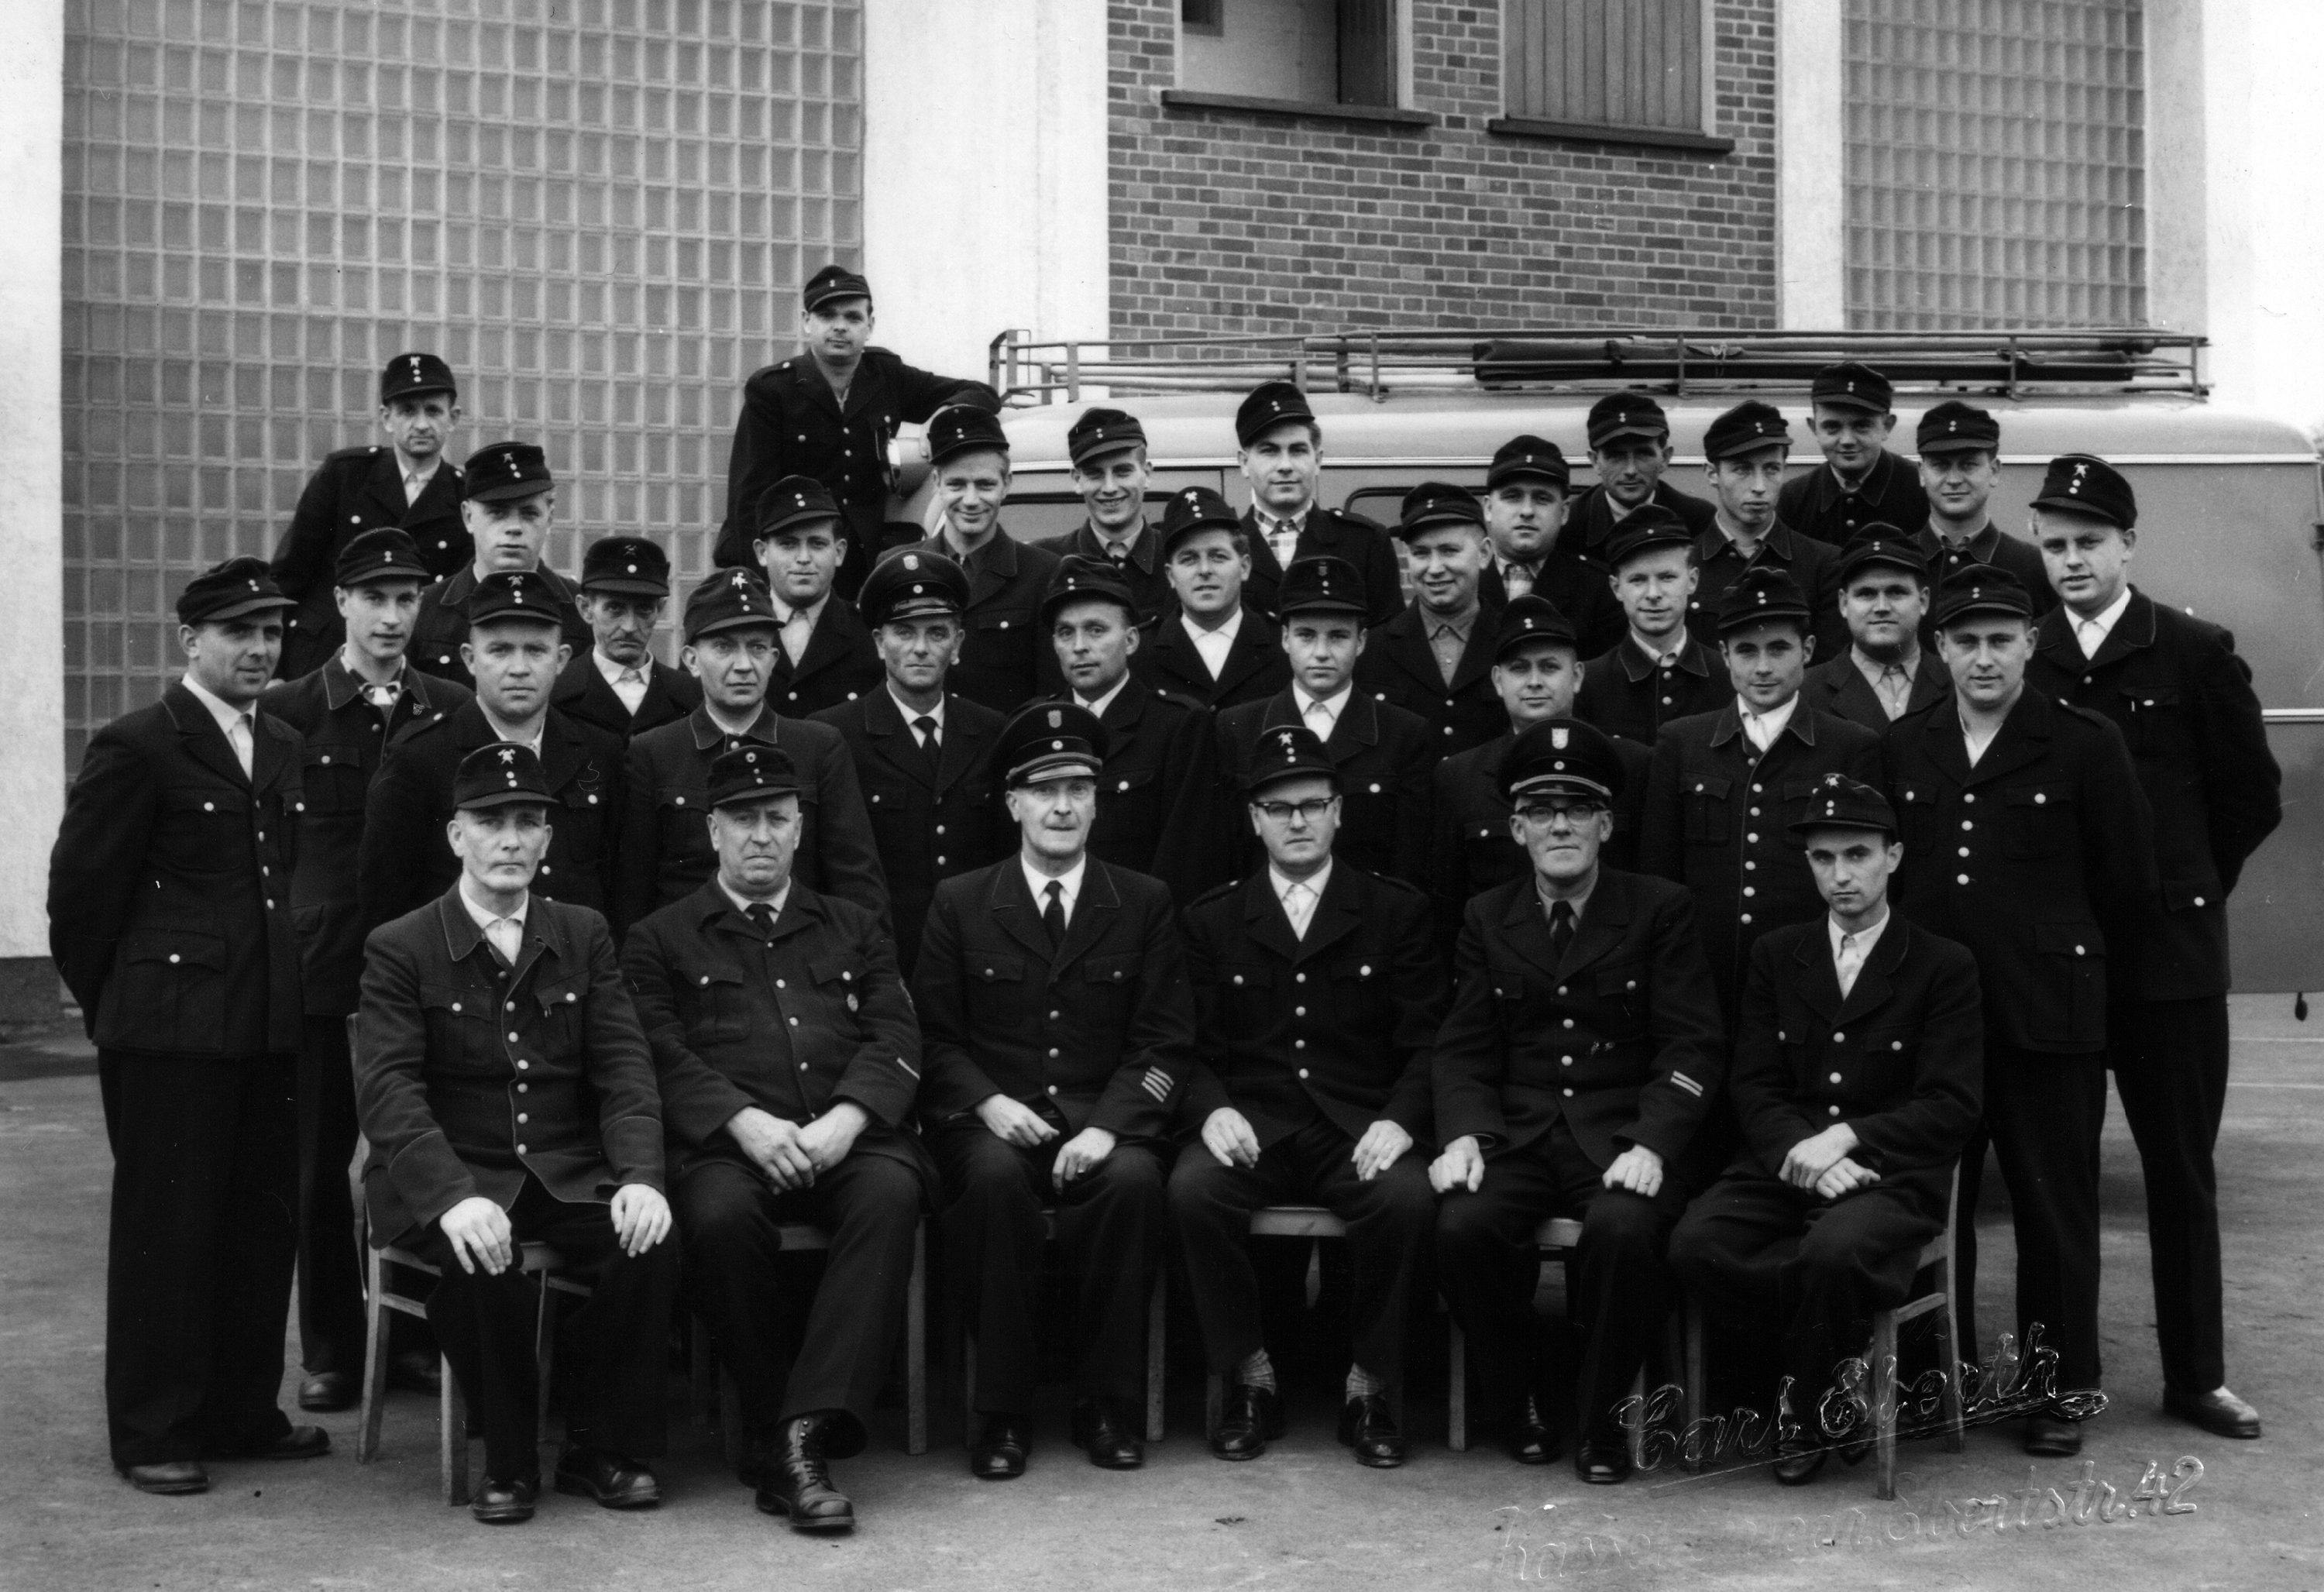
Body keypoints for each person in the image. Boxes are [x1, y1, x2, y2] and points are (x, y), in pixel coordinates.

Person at [2022, 454, 2281, 1442]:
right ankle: (2062, 1387)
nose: (2072, 560)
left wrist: (2185, 888)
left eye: (2090, 541)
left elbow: (2249, 796)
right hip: (2058, 960)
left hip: (2169, 961)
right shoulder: (2025, 654)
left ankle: (2197, 1377)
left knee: (2179, 1171)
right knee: (2056, 1183)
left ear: (2129, 543)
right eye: (2055, 544)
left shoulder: (2194, 649)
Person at [49, 558, 321, 1495]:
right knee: (169, 1231)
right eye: (239, 632)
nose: (258, 648)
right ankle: (153, 1430)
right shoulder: (139, 744)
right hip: (168, 1038)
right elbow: (82, 900)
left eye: (272, 632)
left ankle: (240, 1412)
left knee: (258, 1228)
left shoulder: (280, 741)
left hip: (267, 1028)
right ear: (190, 642)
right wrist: (121, 1009)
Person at [353, 742, 677, 1525]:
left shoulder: (582, 932)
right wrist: (452, 1197)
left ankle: (598, 1445)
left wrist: (641, 1176)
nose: (510, 840)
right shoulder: (402, 944)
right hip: (449, 1173)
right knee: (479, 1254)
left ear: (547, 840)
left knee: (647, 1241)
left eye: (527, 822)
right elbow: (389, 1090)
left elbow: (624, 1067)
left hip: (560, 1172)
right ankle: (509, 1456)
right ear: (455, 836)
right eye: (489, 822)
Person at [1886, 563, 2157, 1457]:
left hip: (2049, 1021)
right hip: (1936, 1032)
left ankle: (2061, 1390)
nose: (1983, 657)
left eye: (2001, 639)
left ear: (2031, 644)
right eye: (1965, 642)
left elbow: (2127, 888)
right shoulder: (1907, 743)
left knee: (2054, 1209)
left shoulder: (2085, 743)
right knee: (1932, 1209)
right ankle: (1936, 1384)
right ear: (1939, 649)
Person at [622, 744, 929, 1531]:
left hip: (846, 1139)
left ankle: (796, 1431)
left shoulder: (853, 926)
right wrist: (740, 1120)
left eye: (776, 820)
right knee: (719, 1219)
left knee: (894, 1192)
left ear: (799, 830)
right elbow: (656, 1047)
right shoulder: (660, 937)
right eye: (743, 820)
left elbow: (896, 1033)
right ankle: (778, 1421)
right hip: (728, 1148)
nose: (761, 836)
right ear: (712, 830)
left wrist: (848, 1119)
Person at [1431, 718, 1724, 1481]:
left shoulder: (1660, 908)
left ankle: (1602, 1420)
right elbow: (1463, 1048)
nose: (1560, 825)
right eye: (1542, 811)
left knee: (1624, 1231)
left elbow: (1692, 1046)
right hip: (1523, 1134)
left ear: (1605, 824)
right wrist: (1463, 1133)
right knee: (1464, 1227)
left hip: (1624, 1133)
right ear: (1517, 828)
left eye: (1578, 810)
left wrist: (1654, 1143)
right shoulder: (1486, 916)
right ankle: (1520, 1396)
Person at [1667, 775, 1982, 1485]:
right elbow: (1754, 1082)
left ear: (1894, 856)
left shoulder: (1942, 964)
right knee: (1695, 1243)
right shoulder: (1780, 955)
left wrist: (1846, 1140)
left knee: (1835, 1252)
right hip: (1787, 1162)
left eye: (1858, 854)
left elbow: (1951, 1104)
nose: (1841, 875)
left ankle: (1804, 1410)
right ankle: (1830, 1372)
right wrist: (1795, 1152)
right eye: (1822, 858)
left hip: (1892, 1174)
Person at [913, 703, 1198, 1477]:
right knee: (996, 1187)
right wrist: (987, 1103)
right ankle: (1001, 1412)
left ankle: (1106, 1404)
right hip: (991, 1121)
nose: (1063, 806)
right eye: (1044, 790)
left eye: (1078, 787)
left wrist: (1110, 1126)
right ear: (1013, 804)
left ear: (1099, 800)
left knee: (1133, 1181)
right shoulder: (961, 900)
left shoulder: (1141, 901)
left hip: (1101, 1119)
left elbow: (1163, 1040)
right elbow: (932, 1039)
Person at [1171, 725, 1446, 1467]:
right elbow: (1183, 1045)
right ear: (1254, 817)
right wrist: (1212, 1107)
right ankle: (1250, 1376)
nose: (1298, 820)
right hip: (1254, 1124)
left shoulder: (1394, 910)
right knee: (1195, 1191)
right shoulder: (1212, 917)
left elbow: (1427, 1043)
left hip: (1355, 1124)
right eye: (1279, 806)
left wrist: (1398, 1120)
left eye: (1313, 804)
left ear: (1339, 813)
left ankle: (1370, 1385)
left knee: (1406, 1199)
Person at [261, 530, 470, 1414]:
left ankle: (420, 1335)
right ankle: (336, 1352)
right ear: (340, 603)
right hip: (326, 966)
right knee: (316, 1167)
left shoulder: (451, 707)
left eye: (407, 599)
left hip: (430, 968)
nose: (391, 616)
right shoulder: (292, 709)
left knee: (425, 1147)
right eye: (374, 598)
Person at [1637, 566, 1884, 1018]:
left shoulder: (1851, 747)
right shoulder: (1682, 743)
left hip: (1807, 980)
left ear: (1807, 650)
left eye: (1779, 649)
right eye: (1746, 651)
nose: (1764, 667)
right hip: (1701, 979)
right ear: (1724, 656)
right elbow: (1659, 871)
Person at [617, 570, 887, 934]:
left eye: (757, 647)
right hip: (689, 968)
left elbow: (857, 883)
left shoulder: (818, 749)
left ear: (774, 658)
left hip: (800, 963)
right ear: (692, 660)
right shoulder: (654, 752)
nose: (744, 665)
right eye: (724, 647)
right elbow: (633, 893)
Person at [713, 263, 1002, 597]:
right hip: (794, 559)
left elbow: (980, 393)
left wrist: (942, 416)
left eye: (852, 318)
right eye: (827, 316)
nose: (839, 327)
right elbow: (748, 500)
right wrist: (761, 584)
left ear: (870, 325)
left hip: (862, 563)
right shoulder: (774, 390)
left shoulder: (886, 376)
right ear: (807, 321)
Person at [361, 572, 627, 927]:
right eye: (500, 650)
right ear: (470, 659)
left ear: (562, 659)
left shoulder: (600, 752)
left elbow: (622, 889)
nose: (519, 669)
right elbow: (386, 903)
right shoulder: (420, 757)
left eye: (535, 650)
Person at [811, 548, 1011, 975]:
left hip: (977, 961)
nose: (920, 648)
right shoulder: (834, 736)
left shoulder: (993, 732)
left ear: (957, 644)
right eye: (904, 632)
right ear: (880, 643)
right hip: (881, 959)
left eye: (937, 633)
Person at [1430, 596, 1650, 948]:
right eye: (1519, 668)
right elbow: (1447, 905)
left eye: (1549, 667)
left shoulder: (1632, 764)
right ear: (1498, 681)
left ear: (1577, 676)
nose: (1534, 681)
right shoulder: (1459, 776)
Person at [1215, 557, 1433, 887]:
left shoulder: (1403, 734)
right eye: (1306, 635)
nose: (1321, 652)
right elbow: (1227, 851)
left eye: (1337, 637)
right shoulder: (1238, 728)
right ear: (1285, 639)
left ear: (1361, 642)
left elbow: (1411, 859)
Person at [270, 352, 470, 679]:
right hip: (322, 661)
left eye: (433, 411)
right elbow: (290, 574)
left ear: (454, 418)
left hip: (416, 672)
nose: (421, 424)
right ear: (386, 418)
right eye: (407, 411)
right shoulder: (344, 476)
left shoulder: (466, 498)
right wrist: (276, 673)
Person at [1041, 556, 1226, 906]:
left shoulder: (1178, 725)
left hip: (1139, 932)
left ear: (1130, 641)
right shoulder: (1036, 723)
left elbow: (1185, 862)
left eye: (1096, 630)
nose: (1079, 646)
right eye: (1066, 632)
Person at [898, 405, 1064, 714]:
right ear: (936, 483)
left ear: (1007, 484)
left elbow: (1050, 693)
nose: (971, 500)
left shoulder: (1043, 573)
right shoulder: (897, 567)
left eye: (985, 485)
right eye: (957, 484)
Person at [407, 441, 590, 689]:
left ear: (550, 519)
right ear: (468, 517)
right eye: (497, 513)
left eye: (529, 513)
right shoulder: (424, 610)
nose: (514, 528)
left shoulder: (583, 613)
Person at [1232, 380, 1404, 628]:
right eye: (1269, 451)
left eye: (1298, 450)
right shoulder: (1224, 549)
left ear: (1318, 460)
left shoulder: (1366, 543)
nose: (1285, 465)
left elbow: (1386, 645)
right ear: (1244, 463)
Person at [1356, 482, 1506, 758]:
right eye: (1421, 553)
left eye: (1449, 551)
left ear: (1484, 554)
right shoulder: (1371, 649)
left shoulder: (1512, 639)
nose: (1435, 569)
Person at [1687, 401, 1843, 658]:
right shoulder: (1686, 566)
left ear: (1784, 471)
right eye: (1742, 469)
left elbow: (1829, 668)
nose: (1759, 486)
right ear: (1712, 474)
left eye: (1771, 469)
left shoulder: (1825, 565)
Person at [1130, 485, 1291, 711]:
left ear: (1244, 567)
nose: (1204, 570)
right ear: (1170, 575)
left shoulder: (1284, 646)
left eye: (1218, 556)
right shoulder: (1139, 654)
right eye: (1189, 559)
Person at [1573, 510, 1728, 744]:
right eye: (1638, 580)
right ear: (1616, 588)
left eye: (1667, 577)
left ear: (1693, 580)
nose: (1653, 594)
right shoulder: (1588, 684)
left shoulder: (1726, 678)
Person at [1476, 435, 1626, 655]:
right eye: (1513, 497)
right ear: (1488, 508)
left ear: (1564, 512)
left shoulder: (1598, 590)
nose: (1527, 511)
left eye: (1542, 498)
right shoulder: (1463, 580)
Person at [750, 476, 885, 717]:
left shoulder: (871, 635)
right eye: (788, 545)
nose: (803, 558)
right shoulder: (732, 630)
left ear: (840, 552)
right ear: (762, 552)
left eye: (817, 544)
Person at [550, 535, 700, 741]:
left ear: (660, 610)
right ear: (585, 609)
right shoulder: (555, 693)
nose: (630, 627)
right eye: (614, 608)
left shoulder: (692, 697)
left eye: (644, 610)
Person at [1031, 407, 1172, 623]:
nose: (1109, 487)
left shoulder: (1176, 558)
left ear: (1147, 474)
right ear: (1077, 480)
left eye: (1122, 471)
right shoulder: (1045, 564)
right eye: (1094, 474)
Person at [1911, 400, 2054, 609]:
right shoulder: (1898, 565)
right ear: (1922, 473)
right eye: (1940, 466)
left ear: (1994, 471)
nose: (1953, 479)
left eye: (1968, 465)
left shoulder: (2034, 566)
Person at [1799, 536, 1951, 731]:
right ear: (1844, 604)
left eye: (1896, 592)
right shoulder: (1805, 692)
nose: (1881, 607)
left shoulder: (1957, 683)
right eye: (1866, 593)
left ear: (1923, 601)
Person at [1775, 361, 1930, 548]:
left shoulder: (1923, 492)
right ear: (1814, 428)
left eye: (1861, 426)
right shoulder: (1792, 500)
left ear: (1887, 426)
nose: (1847, 440)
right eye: (1832, 427)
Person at [1565, 392, 1718, 568]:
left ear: (1665, 458)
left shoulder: (1698, 520)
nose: (1630, 470)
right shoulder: (1570, 526)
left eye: (1643, 454)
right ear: (1595, 462)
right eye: (1616, 456)